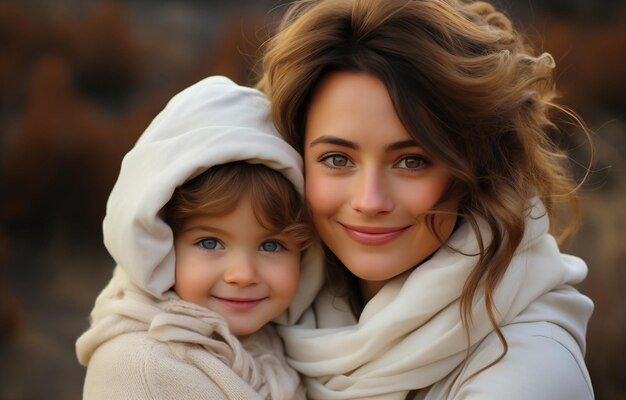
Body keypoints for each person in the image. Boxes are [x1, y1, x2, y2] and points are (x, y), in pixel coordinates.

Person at [257, 0, 595, 399]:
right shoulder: (268, 307)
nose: (369, 201)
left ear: (475, 170)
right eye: (337, 159)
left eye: (411, 161)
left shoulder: (525, 375)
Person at [75, 76, 324, 399]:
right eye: (210, 243)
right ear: (162, 244)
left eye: (271, 245)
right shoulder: (145, 370)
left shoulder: (275, 338)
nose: (243, 275)